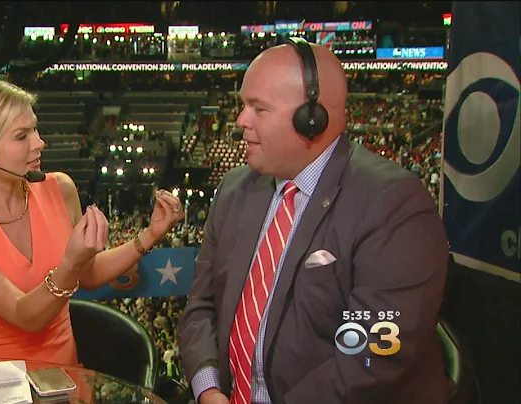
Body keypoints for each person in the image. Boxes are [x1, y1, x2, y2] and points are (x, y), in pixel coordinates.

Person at [178, 40, 449, 404]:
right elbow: (200, 307)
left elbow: (372, 358)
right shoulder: (234, 189)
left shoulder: (394, 204)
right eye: (243, 105)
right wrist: (209, 389)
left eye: (258, 108)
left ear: (312, 118)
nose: (241, 120)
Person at [0, 76, 184, 366]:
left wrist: (150, 234)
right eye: (22, 136)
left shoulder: (60, 189)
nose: (39, 142)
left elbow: (89, 274)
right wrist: (70, 263)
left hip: (63, 376)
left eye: (35, 129)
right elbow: (25, 315)